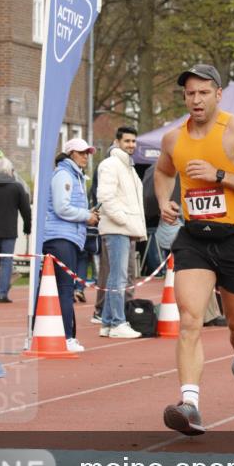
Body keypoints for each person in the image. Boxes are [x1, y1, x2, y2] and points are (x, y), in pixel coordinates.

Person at [155, 63, 234, 435]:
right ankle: (190, 404)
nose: (196, 99)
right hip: (194, 239)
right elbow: (163, 172)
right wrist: (164, 201)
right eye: (190, 93)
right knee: (190, 319)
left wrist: (219, 175)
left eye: (203, 92)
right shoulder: (173, 139)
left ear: (218, 94)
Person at [42, 138, 100, 352]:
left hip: (68, 238)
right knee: (65, 288)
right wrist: (87, 216)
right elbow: (61, 207)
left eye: (88, 152)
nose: (86, 156)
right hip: (61, 238)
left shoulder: (74, 175)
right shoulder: (64, 175)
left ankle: (50, 333)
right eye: (81, 152)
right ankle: (66, 337)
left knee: (56, 289)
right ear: (70, 154)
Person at [97, 126, 146, 340]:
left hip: (125, 228)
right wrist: (123, 219)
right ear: (117, 142)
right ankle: (117, 322)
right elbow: (105, 196)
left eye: (134, 141)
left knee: (116, 277)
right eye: (127, 141)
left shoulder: (129, 168)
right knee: (119, 278)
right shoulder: (110, 165)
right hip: (118, 228)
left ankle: (108, 323)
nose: (131, 145)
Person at [0, 156, 31, 302]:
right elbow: (26, 209)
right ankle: (3, 292)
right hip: (9, 230)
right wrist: (27, 228)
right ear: (9, 170)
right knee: (6, 261)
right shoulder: (16, 187)